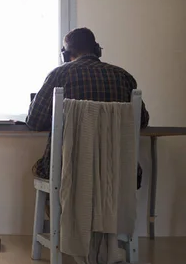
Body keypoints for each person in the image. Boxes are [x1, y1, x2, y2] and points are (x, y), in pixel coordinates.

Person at [26, 28, 149, 187]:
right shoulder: (124, 76)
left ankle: (65, 212)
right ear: (97, 50)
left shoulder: (59, 75)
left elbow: (34, 121)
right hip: (118, 172)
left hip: (67, 172)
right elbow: (142, 121)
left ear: (65, 54)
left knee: (45, 173)